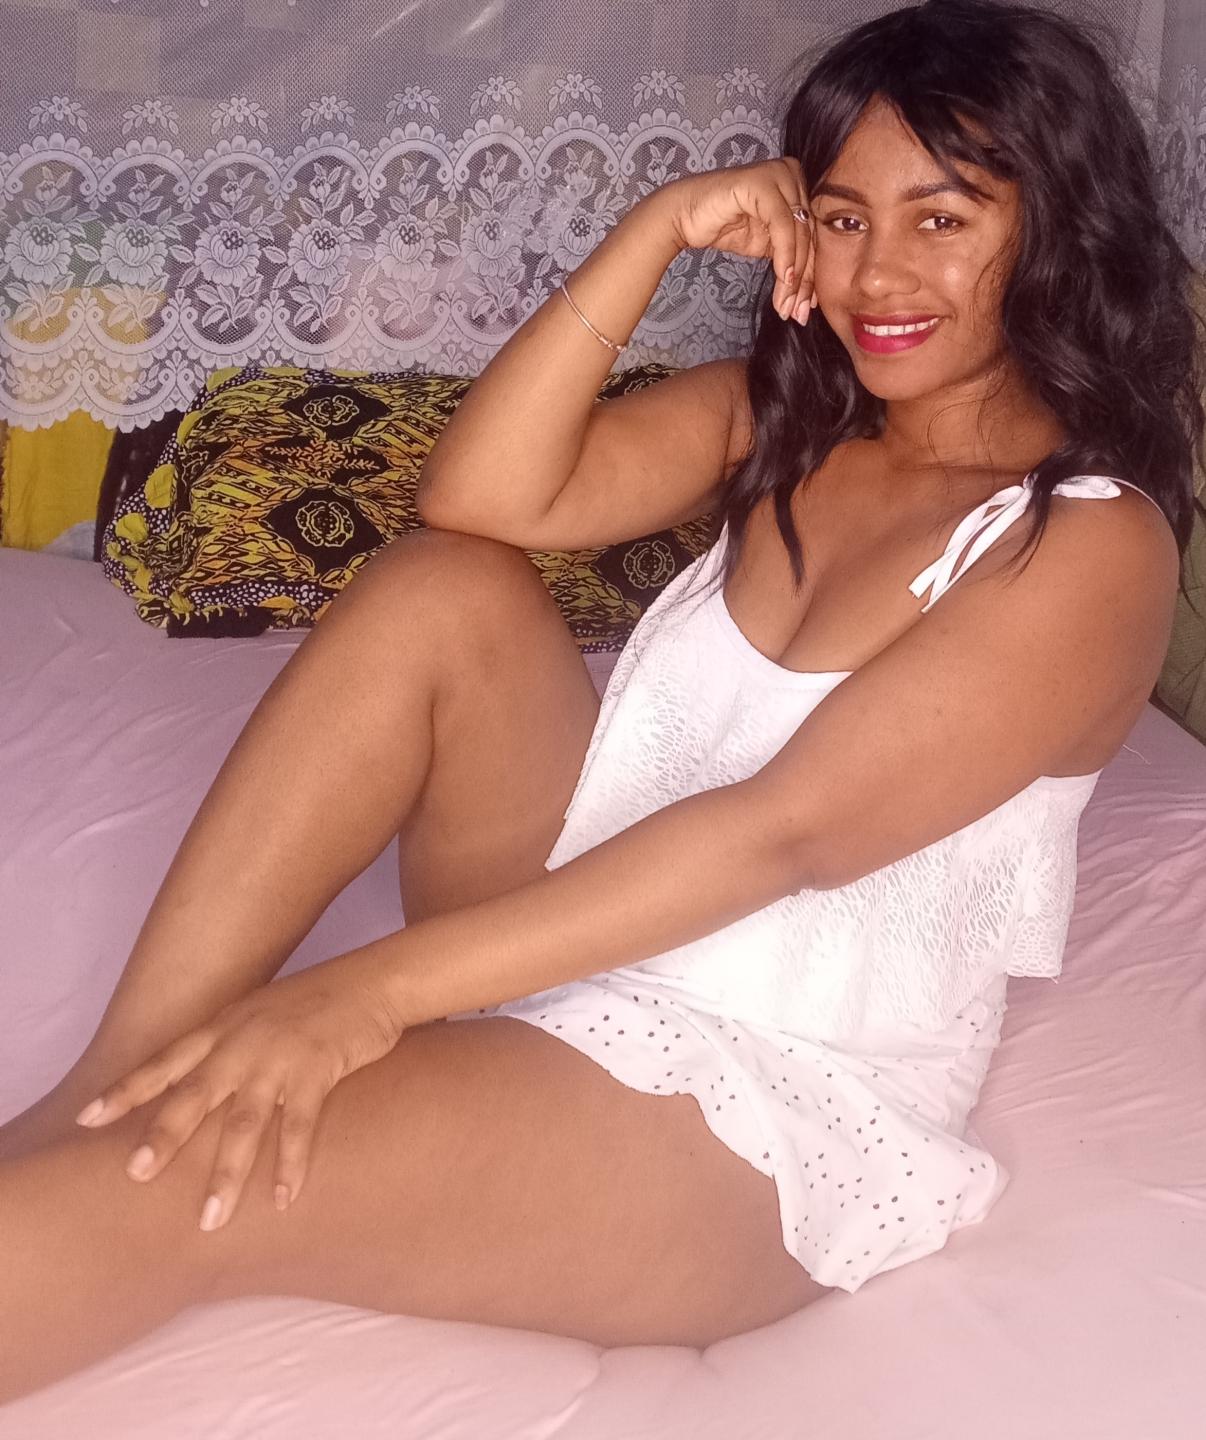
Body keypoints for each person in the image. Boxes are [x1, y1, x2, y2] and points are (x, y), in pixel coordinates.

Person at [0, 0, 1201, 1404]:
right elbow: (483, 497)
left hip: (754, 1096)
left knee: (178, 1175)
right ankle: (108, 1080)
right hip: (576, 925)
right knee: (443, 586)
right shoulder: (781, 419)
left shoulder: (1089, 543)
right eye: (839, 216)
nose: (877, 272)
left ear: (1056, 231)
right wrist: (655, 230)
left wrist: (353, 998)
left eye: (942, 220)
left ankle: (115, 1147)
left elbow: (783, 834)